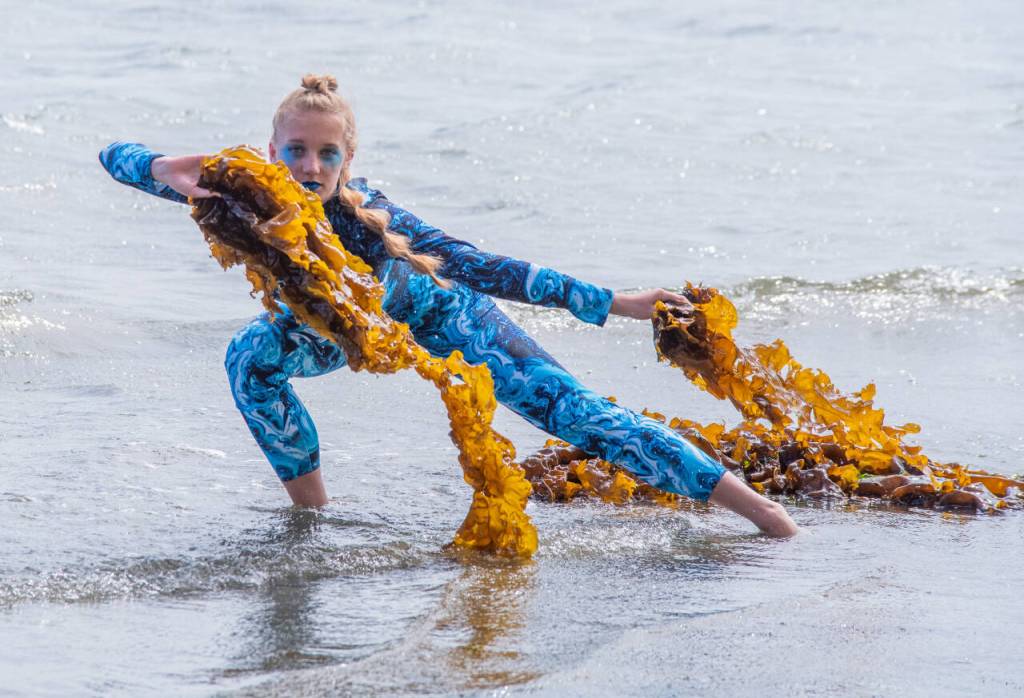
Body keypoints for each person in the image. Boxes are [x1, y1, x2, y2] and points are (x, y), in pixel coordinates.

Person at [99, 74, 798, 537]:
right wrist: (167, 168)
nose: (311, 167)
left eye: (327, 154)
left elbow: (482, 265)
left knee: (577, 414)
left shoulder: (372, 213)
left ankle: (764, 515)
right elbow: (112, 153)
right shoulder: (240, 194)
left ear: (347, 159)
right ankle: (315, 518)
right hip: (330, 330)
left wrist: (614, 302)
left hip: (443, 316)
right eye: (297, 151)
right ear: (274, 150)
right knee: (251, 360)